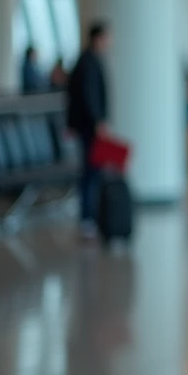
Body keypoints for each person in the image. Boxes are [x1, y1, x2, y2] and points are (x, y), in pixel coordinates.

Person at [67, 21, 111, 236]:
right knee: (90, 172)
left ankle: (91, 216)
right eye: (106, 38)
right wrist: (97, 122)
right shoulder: (89, 62)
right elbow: (88, 95)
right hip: (90, 127)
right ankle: (87, 218)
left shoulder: (87, 60)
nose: (109, 42)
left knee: (92, 170)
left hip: (87, 126)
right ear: (98, 38)